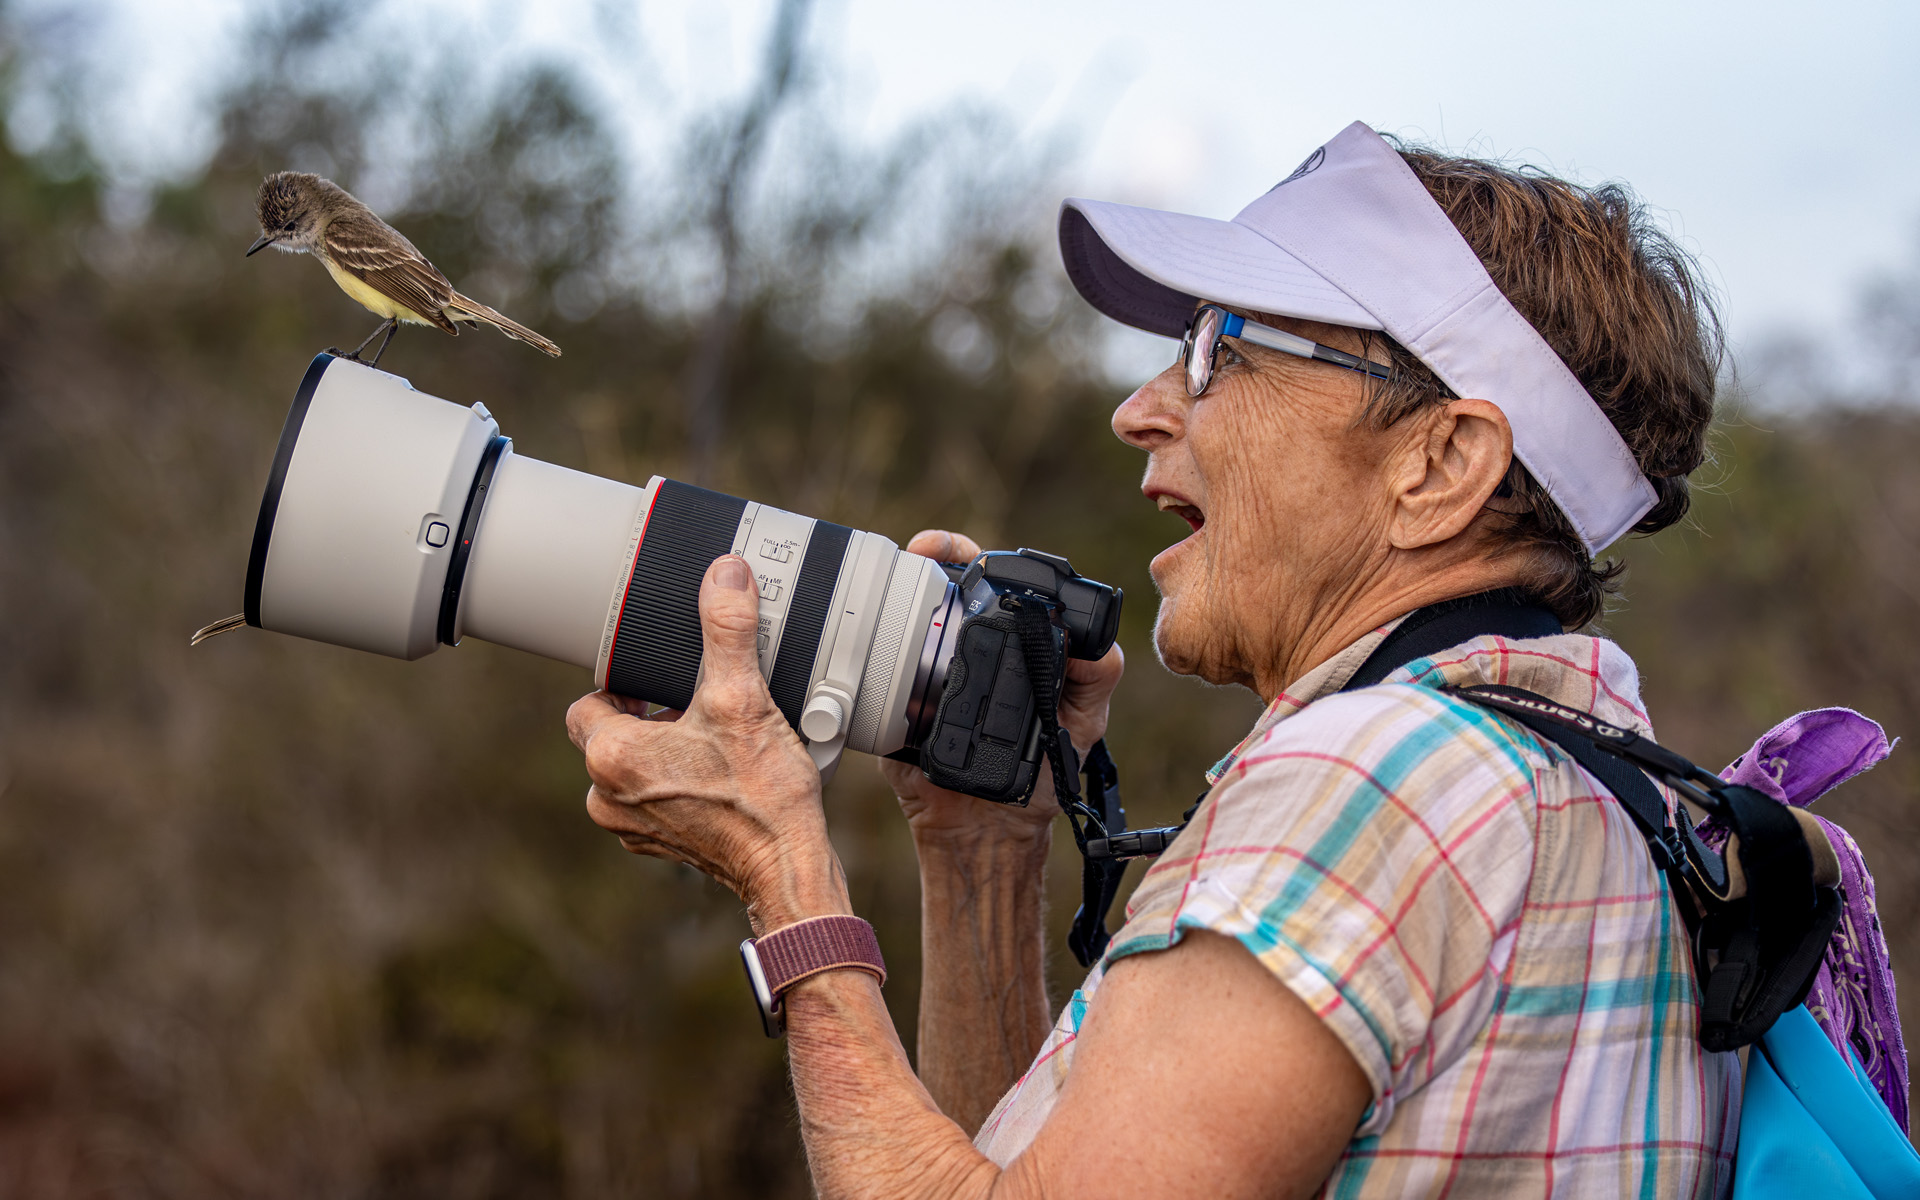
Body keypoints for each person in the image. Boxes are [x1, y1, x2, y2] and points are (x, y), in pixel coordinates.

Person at [565, 120, 1731, 1197]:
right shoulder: (1609, 787)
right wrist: (982, 848)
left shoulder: (1377, 780)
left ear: (1438, 466)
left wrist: (787, 880)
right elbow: (1013, 1172)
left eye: (1223, 348)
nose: (1142, 407)